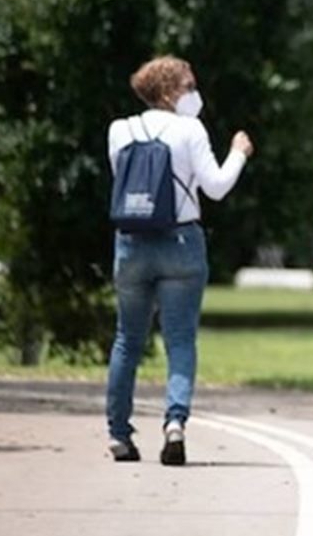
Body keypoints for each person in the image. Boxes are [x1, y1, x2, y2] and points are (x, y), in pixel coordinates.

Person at [105, 56, 253, 465]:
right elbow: (217, 187)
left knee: (126, 340)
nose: (195, 94)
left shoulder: (120, 130)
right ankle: (174, 423)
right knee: (180, 340)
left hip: (131, 243)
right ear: (170, 92)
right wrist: (238, 152)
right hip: (181, 242)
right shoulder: (190, 129)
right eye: (189, 86)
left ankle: (119, 434)